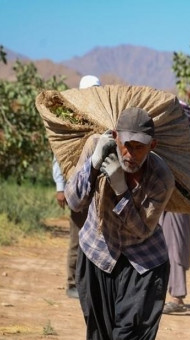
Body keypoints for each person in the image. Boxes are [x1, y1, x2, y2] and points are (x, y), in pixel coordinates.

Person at [65, 107, 175, 339]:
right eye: (127, 145)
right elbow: (74, 202)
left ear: (152, 146)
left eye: (139, 148)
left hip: (143, 263)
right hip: (98, 254)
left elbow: (142, 230)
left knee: (130, 335)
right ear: (115, 137)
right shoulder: (96, 146)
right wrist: (94, 164)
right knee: (99, 334)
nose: (130, 155)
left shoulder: (161, 176)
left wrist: (121, 188)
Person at [52, 74, 101, 299]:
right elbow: (59, 156)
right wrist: (61, 187)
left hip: (100, 191)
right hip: (78, 187)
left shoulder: (103, 117)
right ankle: (72, 282)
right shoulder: (72, 121)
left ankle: (91, 284)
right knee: (77, 237)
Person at [161, 100, 190, 314]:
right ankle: (165, 293)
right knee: (165, 240)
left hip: (181, 193)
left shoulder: (181, 144)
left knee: (176, 242)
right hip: (168, 192)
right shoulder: (178, 140)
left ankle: (177, 297)